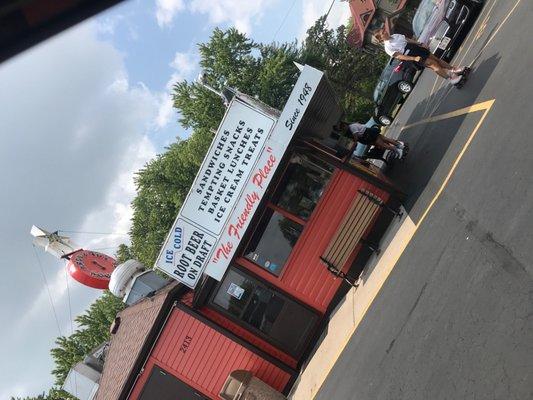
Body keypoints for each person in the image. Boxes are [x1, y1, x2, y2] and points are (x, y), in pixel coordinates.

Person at [373, 27, 469, 87]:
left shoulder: (395, 35)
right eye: (382, 33)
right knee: (433, 64)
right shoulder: (388, 47)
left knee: (436, 59)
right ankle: (451, 79)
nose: (385, 32)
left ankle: (453, 69)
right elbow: (400, 56)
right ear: (381, 39)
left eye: (384, 30)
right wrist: (413, 58)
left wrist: (420, 43)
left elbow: (407, 39)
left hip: (414, 48)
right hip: (410, 54)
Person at [333, 121, 407, 159]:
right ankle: (400, 146)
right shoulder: (352, 125)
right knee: (386, 140)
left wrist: (355, 143)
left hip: (369, 134)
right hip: (370, 133)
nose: (343, 129)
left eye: (342, 128)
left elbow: (356, 137)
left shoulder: (352, 127)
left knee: (383, 144)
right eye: (341, 129)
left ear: (345, 125)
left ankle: (398, 150)